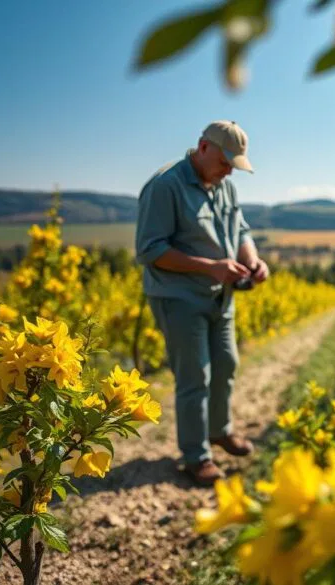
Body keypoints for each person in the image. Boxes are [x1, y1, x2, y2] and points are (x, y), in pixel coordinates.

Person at [134, 120, 269, 486]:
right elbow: (150, 251)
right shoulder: (166, 186)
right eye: (225, 162)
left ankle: (219, 431)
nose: (229, 172)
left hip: (220, 295)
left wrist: (253, 261)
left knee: (226, 363)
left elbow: (241, 231)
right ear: (203, 147)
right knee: (195, 376)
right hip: (178, 298)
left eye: (234, 165)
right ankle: (196, 456)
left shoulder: (224, 186)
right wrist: (212, 267)